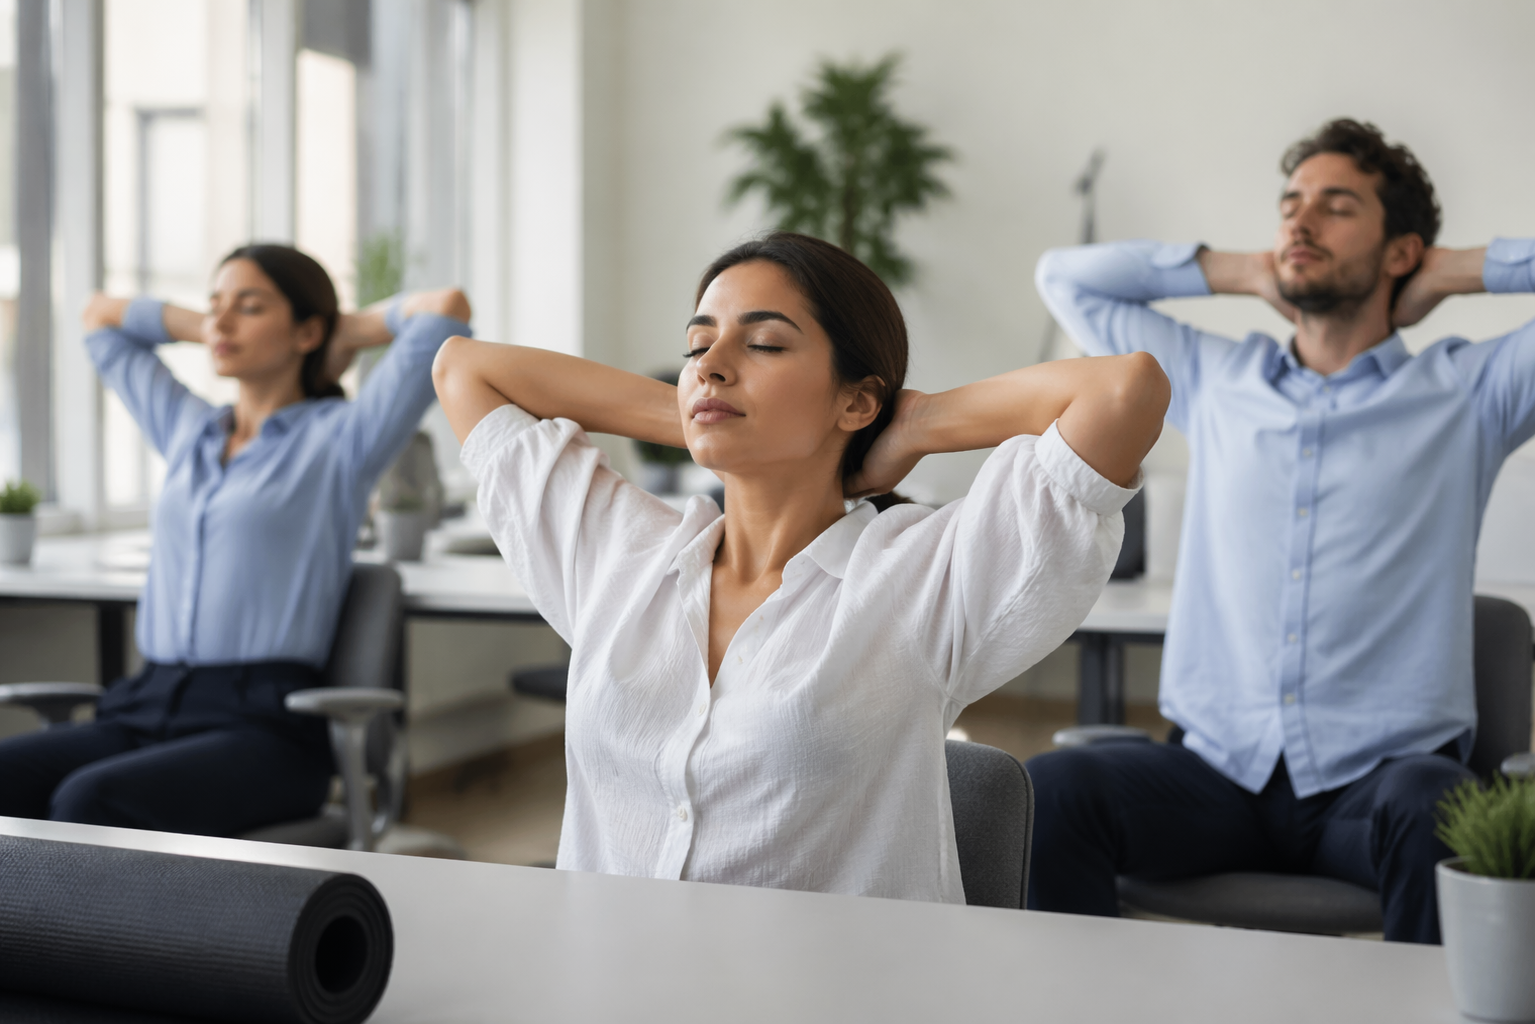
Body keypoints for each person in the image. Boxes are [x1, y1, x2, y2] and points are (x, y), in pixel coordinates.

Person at [432, 231, 1168, 901]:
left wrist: (908, 426)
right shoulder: (621, 555)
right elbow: (464, 367)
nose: (711, 365)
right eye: (696, 346)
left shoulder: (919, 579)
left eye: (764, 346)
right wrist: (695, 410)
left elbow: (1121, 390)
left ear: (856, 399)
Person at [1029, 118, 1535, 943]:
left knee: (1436, 808)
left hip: (1379, 791)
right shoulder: (1208, 379)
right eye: (1289, 205)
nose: (1299, 222)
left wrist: (1458, 272)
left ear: (1400, 249)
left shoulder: (1470, 394)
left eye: (1337, 208)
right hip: (1213, 776)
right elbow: (1064, 279)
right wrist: (1244, 272)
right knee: (1054, 791)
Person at [0, 244, 470, 837]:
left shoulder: (341, 440)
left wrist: (343, 334)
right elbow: (100, 317)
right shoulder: (187, 429)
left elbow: (446, 314)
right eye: (213, 305)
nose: (221, 321)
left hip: (265, 727)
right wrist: (213, 328)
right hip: (148, 700)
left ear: (306, 332)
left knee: (90, 802)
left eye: (249, 307)